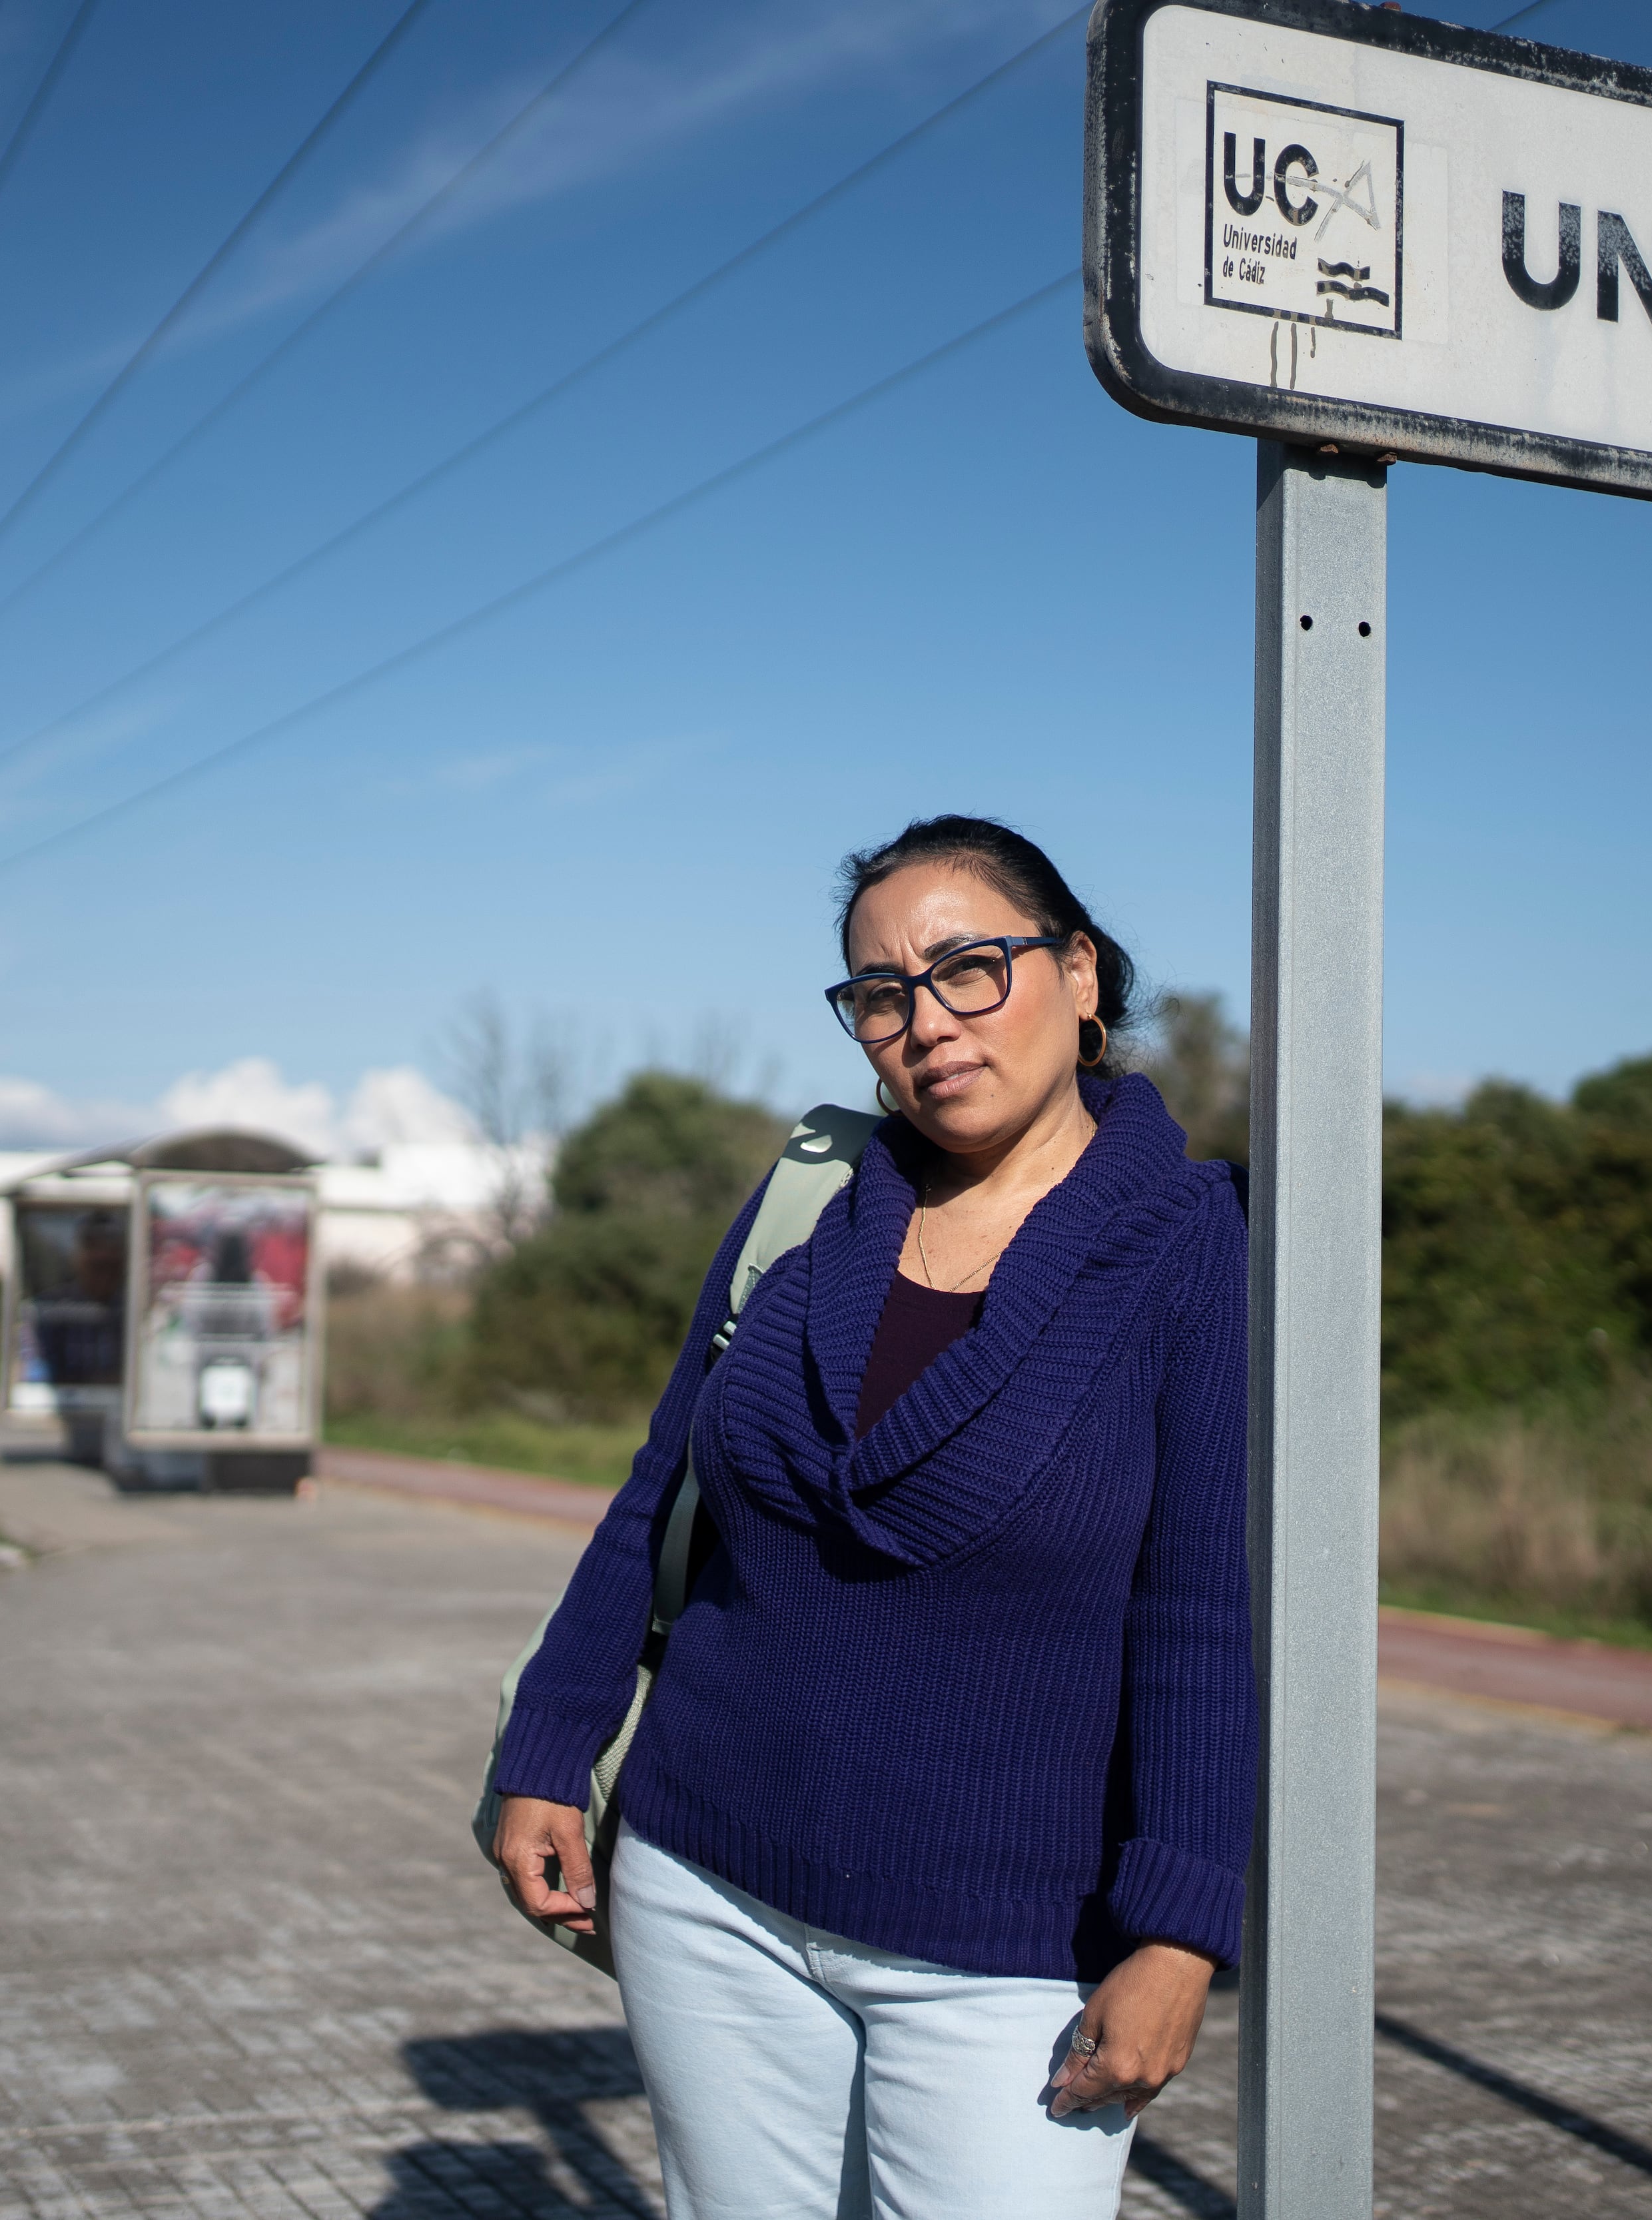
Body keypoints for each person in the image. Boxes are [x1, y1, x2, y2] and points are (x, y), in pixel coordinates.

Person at [490, 815, 1254, 2217]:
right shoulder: (815, 1199)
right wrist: (548, 1739)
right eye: (882, 994)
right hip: (703, 1881)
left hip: (1011, 1951)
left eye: (971, 967)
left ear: (1080, 973)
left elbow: (1202, 1610)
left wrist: (1179, 1930)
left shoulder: (1196, 1248)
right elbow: (666, 1478)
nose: (925, 1022)